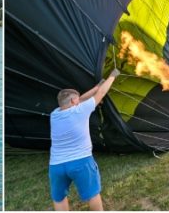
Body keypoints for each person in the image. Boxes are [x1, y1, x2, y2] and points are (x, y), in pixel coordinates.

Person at [48, 68, 120, 211]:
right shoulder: (80, 110)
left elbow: (80, 99)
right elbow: (102, 94)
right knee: (93, 195)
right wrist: (113, 76)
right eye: (77, 99)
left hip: (56, 166)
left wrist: (96, 87)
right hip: (81, 162)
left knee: (59, 198)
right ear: (73, 101)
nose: (79, 100)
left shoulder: (54, 114)